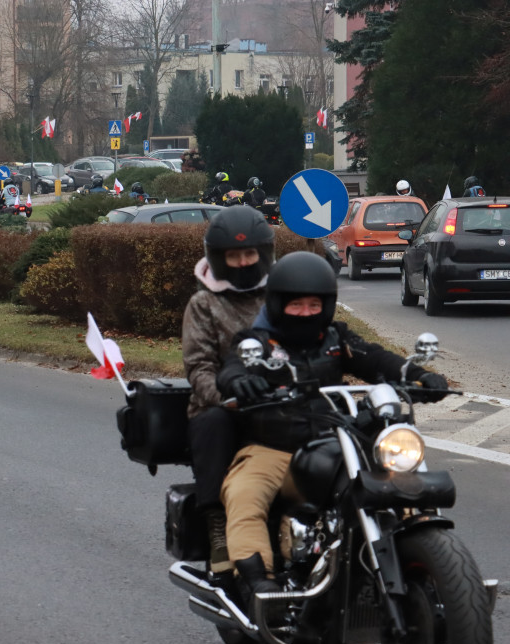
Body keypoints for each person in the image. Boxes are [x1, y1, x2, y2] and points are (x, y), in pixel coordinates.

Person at [215, 251, 449, 605]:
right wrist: (240, 382)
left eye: (314, 304)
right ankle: (258, 584)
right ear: (278, 304)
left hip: (334, 440)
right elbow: (231, 368)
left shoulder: (336, 338)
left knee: (396, 480)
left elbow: (376, 358)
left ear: (327, 305)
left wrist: (418, 376)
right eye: (296, 305)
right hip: (272, 447)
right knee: (244, 495)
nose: (306, 312)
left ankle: (425, 564)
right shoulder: (258, 343)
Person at [181, 205, 275, 582]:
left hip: (281, 401)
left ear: (263, 254)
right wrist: (228, 396)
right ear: (217, 259)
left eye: (248, 254)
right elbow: (199, 367)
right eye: (232, 256)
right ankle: (218, 526)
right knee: (214, 423)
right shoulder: (203, 304)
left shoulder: (283, 296)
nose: (241, 263)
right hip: (223, 404)